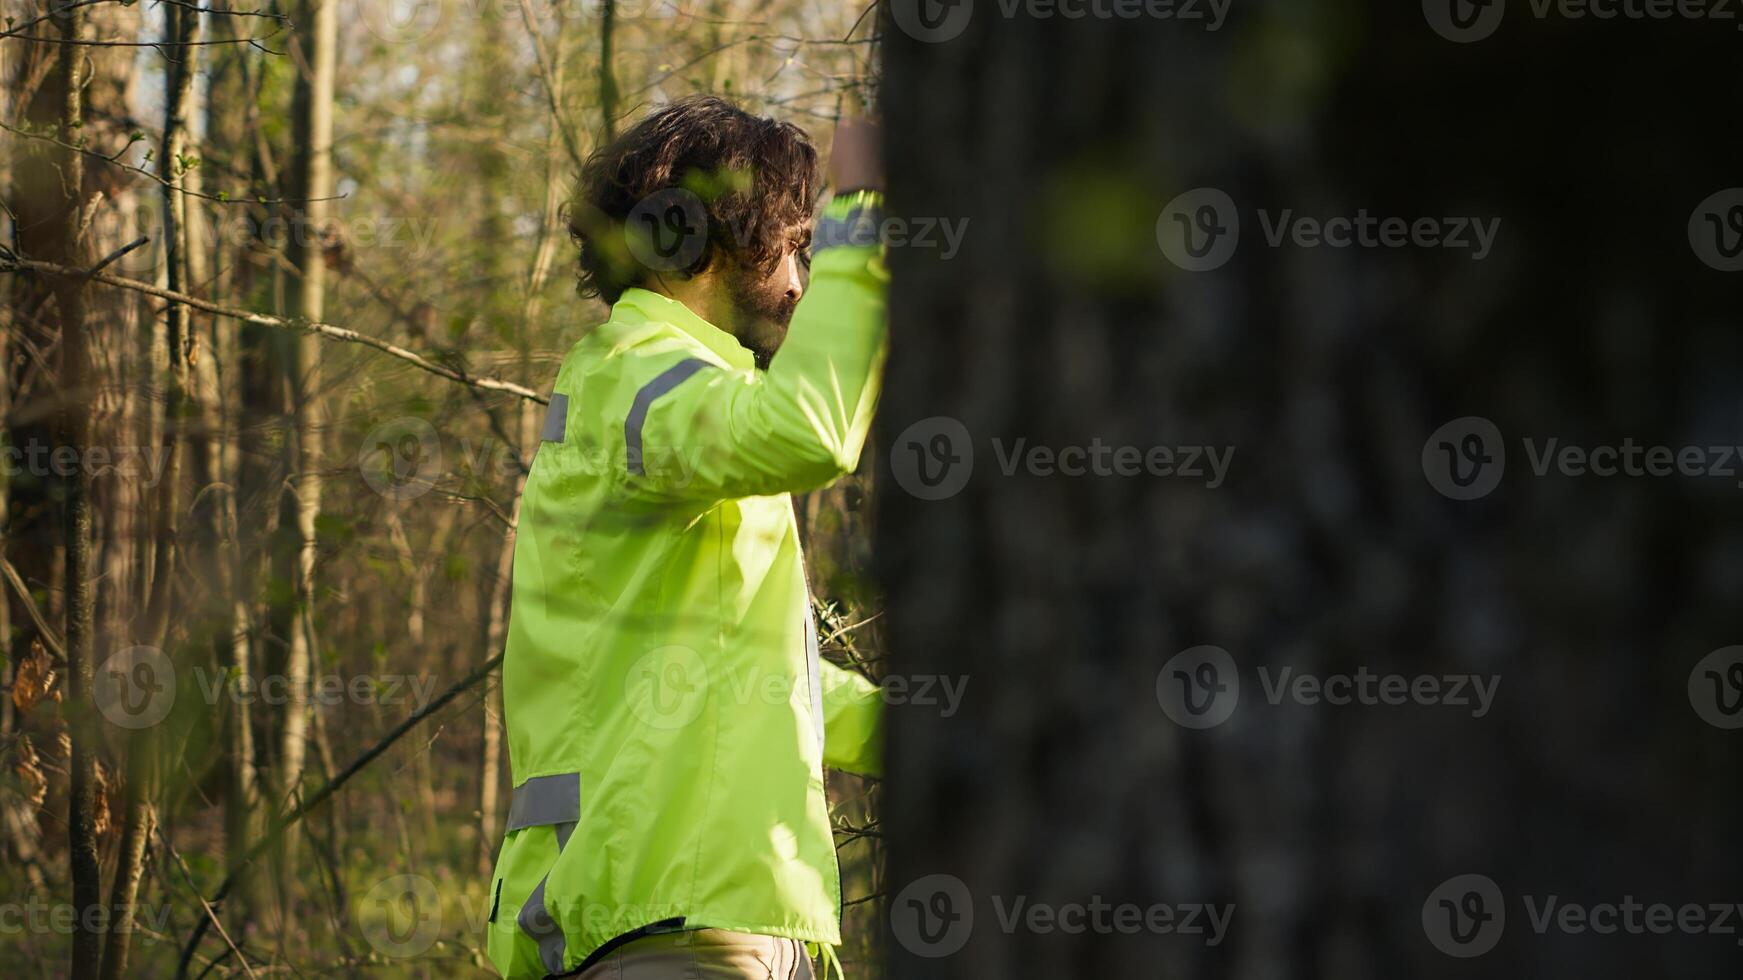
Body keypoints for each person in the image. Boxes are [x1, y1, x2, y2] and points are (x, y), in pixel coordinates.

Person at [484, 94, 887, 980]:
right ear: (683, 236)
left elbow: (756, 677)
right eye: (795, 246)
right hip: (663, 924)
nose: (799, 282)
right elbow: (812, 431)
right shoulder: (632, 377)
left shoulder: (680, 399)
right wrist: (864, 219)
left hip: (713, 919)